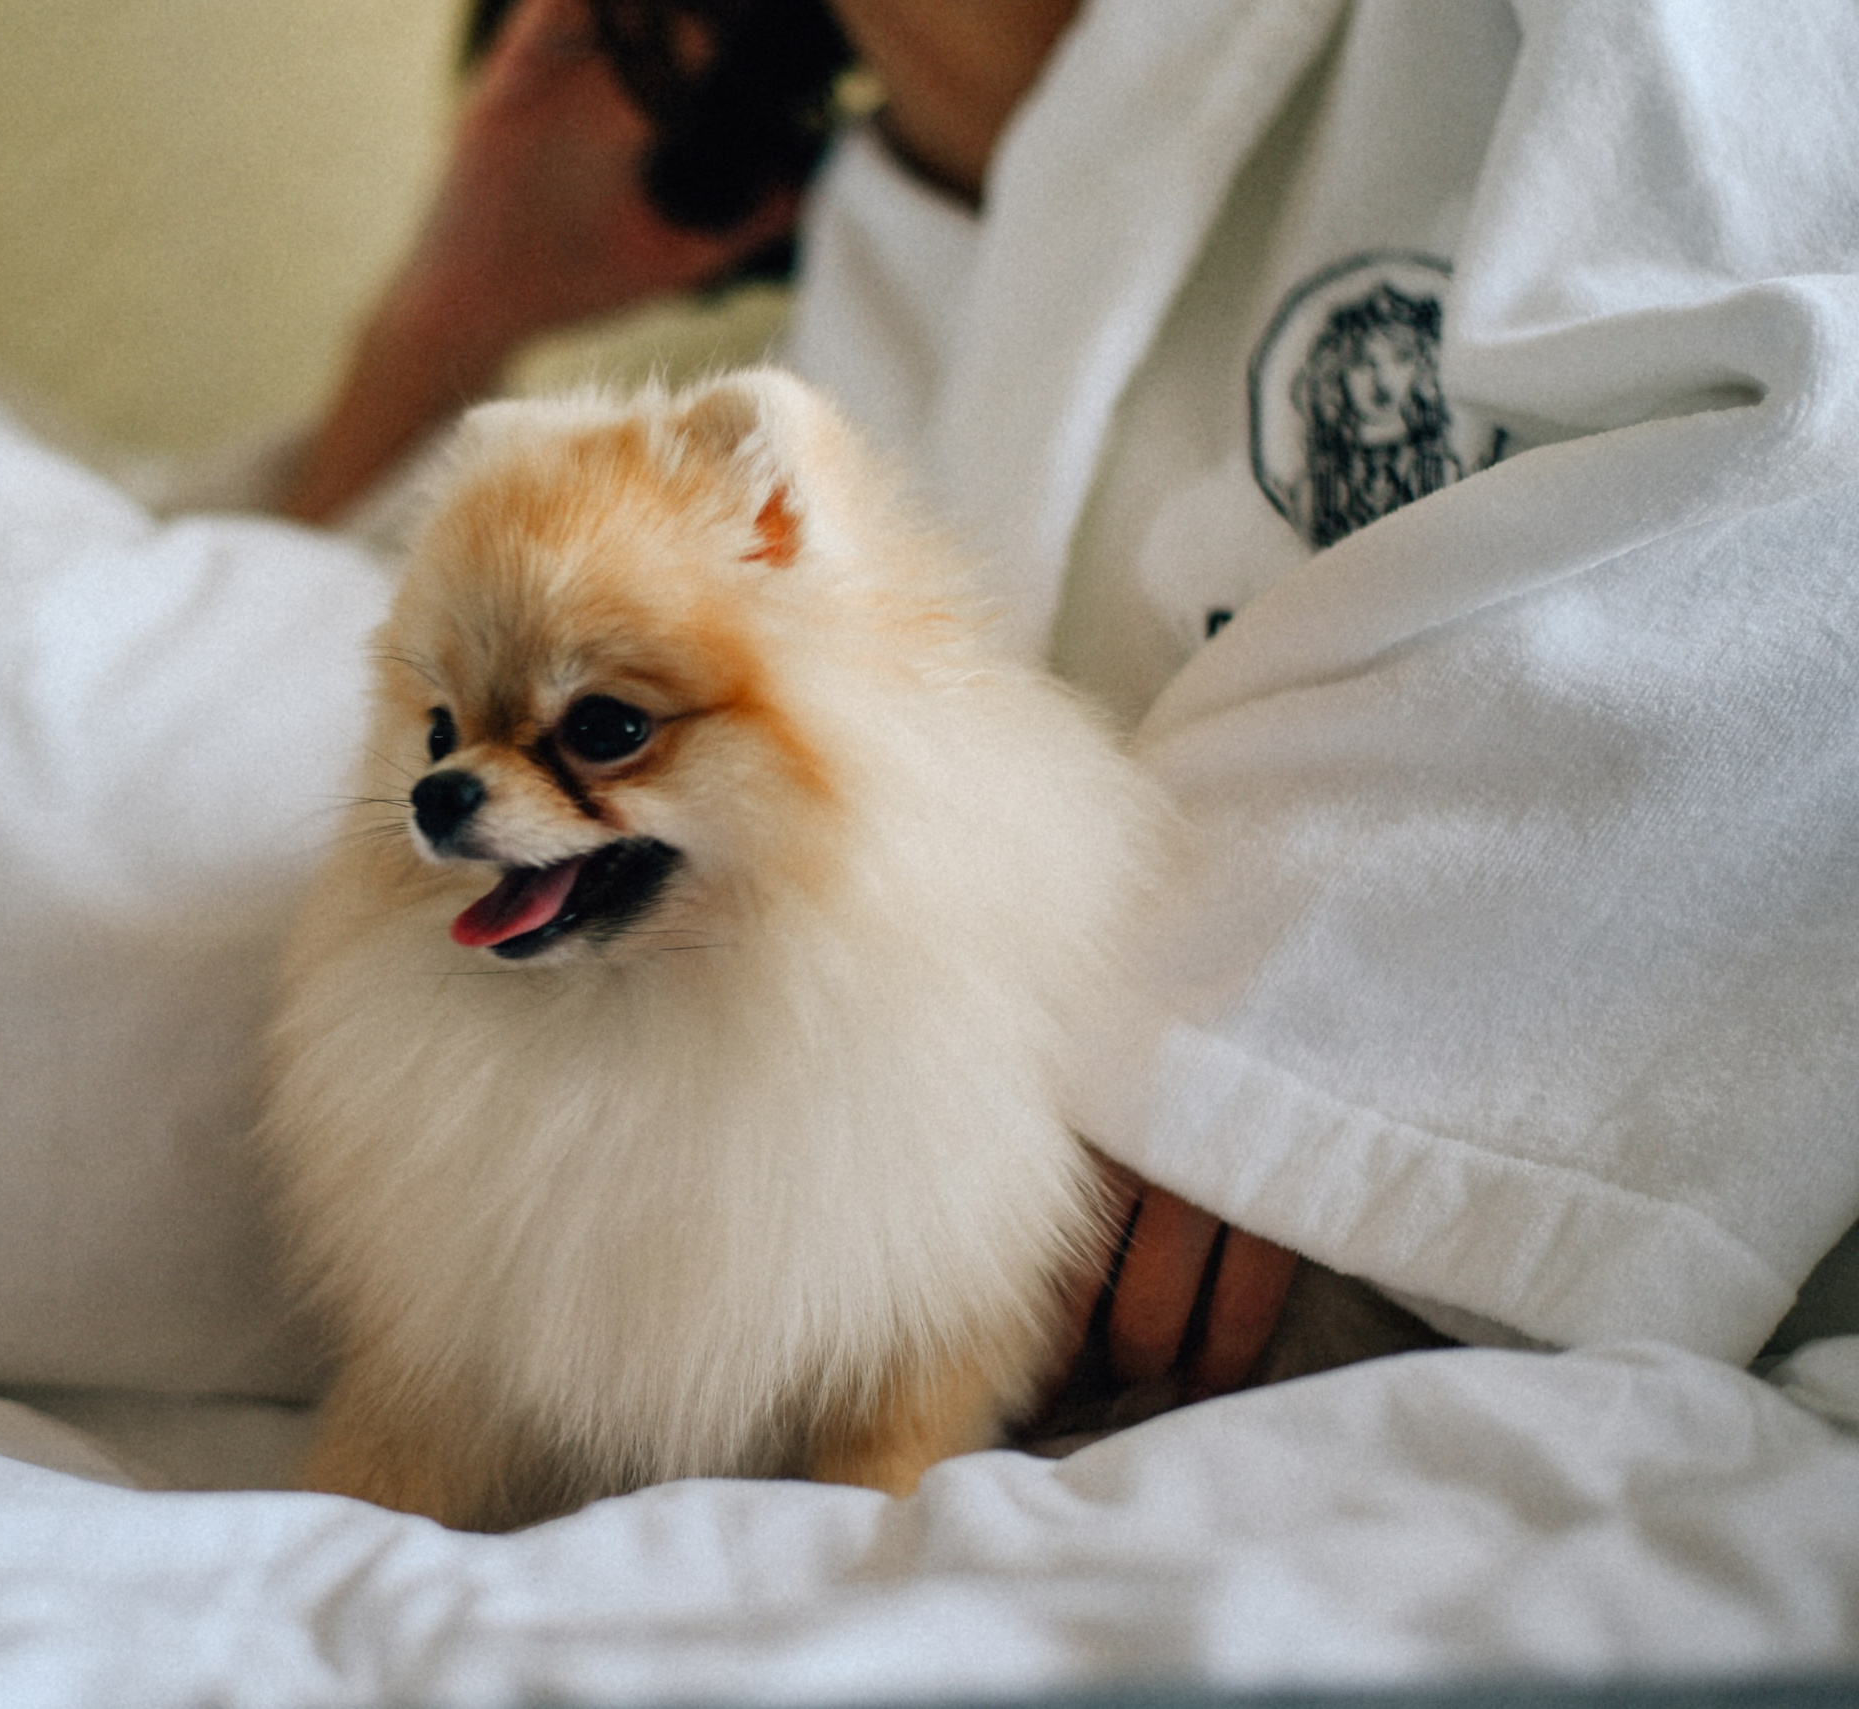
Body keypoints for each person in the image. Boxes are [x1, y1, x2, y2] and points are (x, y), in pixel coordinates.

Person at [278, 0, 1859, 1404]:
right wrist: (454, 313)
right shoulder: (846, 345)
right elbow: (220, 655)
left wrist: (1278, 1023)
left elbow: (1821, 462)